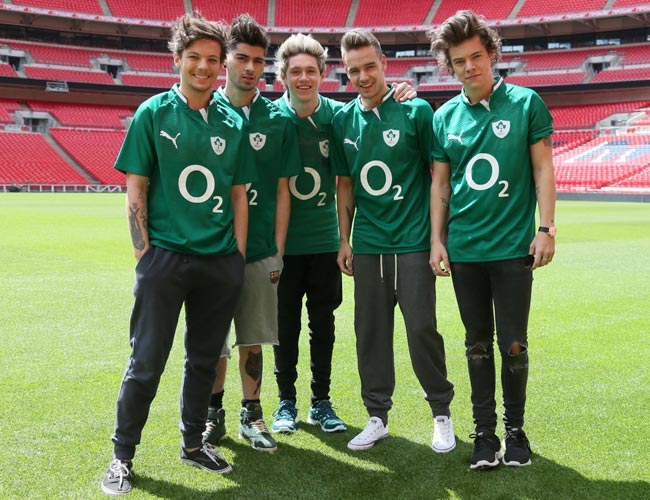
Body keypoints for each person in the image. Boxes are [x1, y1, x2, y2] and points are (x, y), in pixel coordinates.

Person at [101, 13, 253, 496]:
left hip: (219, 262)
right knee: (146, 361)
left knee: (204, 360)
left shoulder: (232, 121)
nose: (203, 67)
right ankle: (123, 455)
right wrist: (143, 254)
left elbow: (238, 194)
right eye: (194, 58)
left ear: (221, 64)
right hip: (164, 259)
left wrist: (237, 258)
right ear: (177, 59)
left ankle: (192, 443)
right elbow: (136, 187)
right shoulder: (153, 113)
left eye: (212, 59)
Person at [270, 34, 419, 435]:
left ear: (323, 74)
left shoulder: (338, 117)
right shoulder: (269, 117)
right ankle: (285, 401)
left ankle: (321, 401)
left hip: (325, 242)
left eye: (311, 71)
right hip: (281, 245)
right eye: (296, 71)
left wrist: (403, 92)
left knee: (323, 325)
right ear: (283, 75)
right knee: (284, 326)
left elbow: (373, 116)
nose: (304, 78)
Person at [428, 10, 556, 469]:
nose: (469, 67)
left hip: (513, 249)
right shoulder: (444, 117)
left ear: (491, 54)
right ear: (449, 66)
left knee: (514, 343)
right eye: (459, 61)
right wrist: (437, 241)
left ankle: (515, 431)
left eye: (476, 56)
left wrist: (546, 228)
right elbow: (441, 185)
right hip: (465, 251)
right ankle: (484, 435)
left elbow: (543, 168)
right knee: (477, 344)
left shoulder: (525, 103)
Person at [330, 28, 455, 453]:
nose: (363, 76)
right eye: (353, 70)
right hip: (368, 245)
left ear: (384, 63)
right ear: (346, 73)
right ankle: (377, 417)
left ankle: (441, 413)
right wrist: (344, 240)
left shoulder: (416, 110)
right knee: (370, 334)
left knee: (421, 330)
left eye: (369, 66)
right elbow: (345, 185)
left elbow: (438, 177)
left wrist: (438, 239)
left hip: (413, 243)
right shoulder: (343, 120)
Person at [202, 14, 301, 452]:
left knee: (254, 337)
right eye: (241, 58)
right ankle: (212, 415)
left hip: (260, 249)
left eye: (258, 61)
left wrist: (277, 250)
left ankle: (252, 414)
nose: (250, 68)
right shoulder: (203, 111)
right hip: (210, 247)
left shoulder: (278, 118)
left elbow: (282, 190)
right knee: (213, 339)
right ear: (226, 60)